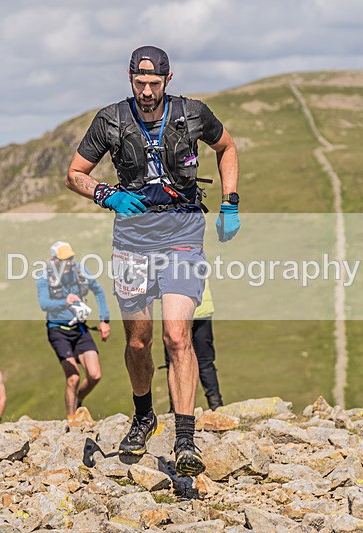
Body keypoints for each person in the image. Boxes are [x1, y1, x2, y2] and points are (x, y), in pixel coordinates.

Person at [65, 45, 240, 476]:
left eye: (154, 84)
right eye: (140, 83)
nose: (146, 91)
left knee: (177, 336)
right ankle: (144, 415)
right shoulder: (110, 120)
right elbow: (74, 173)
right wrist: (106, 194)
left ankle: (185, 438)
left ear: (168, 80)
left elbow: (227, 147)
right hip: (133, 239)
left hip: (182, 232)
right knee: (138, 340)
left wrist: (231, 202)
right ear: (129, 78)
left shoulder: (193, 113)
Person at [36, 241, 111, 419]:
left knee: (94, 375)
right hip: (58, 331)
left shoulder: (80, 271)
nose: (68, 263)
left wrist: (104, 320)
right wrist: (65, 302)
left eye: (70, 258)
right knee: (73, 378)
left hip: (80, 329)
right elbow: (44, 304)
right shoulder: (44, 278)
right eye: (63, 260)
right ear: (54, 260)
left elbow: (99, 291)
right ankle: (70, 421)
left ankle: (78, 399)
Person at [164, 279, 223, 412]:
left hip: (187, 312)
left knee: (179, 361)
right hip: (198, 310)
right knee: (203, 361)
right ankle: (216, 405)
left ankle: (176, 409)